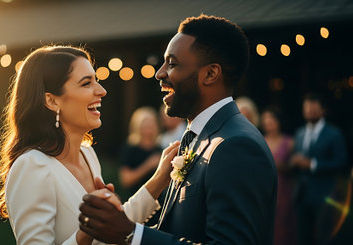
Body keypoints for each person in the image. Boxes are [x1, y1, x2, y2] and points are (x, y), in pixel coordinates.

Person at [79, 14, 277, 245]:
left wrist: (132, 234)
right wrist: (116, 222)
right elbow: (179, 230)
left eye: (172, 64)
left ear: (210, 74)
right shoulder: (198, 137)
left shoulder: (236, 146)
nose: (159, 73)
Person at [0, 45, 180, 245]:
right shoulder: (32, 166)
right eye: (86, 83)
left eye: (96, 80)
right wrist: (85, 233)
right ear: (52, 101)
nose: (102, 91)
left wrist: (159, 179)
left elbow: (115, 228)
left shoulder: (88, 155)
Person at [291, 92, 348, 245]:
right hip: (302, 195)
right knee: (303, 237)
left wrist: (313, 164)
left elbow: (341, 162)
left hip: (325, 195)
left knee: (325, 237)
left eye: (314, 108)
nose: (310, 111)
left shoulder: (334, 134)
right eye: (307, 108)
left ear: (323, 110)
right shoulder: (299, 133)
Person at [261, 106, 297, 245]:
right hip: (265, 187)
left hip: (284, 188)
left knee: (284, 221)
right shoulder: (259, 140)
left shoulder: (289, 142)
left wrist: (283, 166)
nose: (269, 122)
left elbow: (294, 167)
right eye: (266, 120)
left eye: (272, 119)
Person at [119, 106, 162, 199]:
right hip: (135, 199)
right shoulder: (130, 148)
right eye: (146, 125)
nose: (149, 128)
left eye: (151, 124)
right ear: (138, 126)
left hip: (158, 201)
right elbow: (126, 180)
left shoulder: (159, 148)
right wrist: (148, 165)